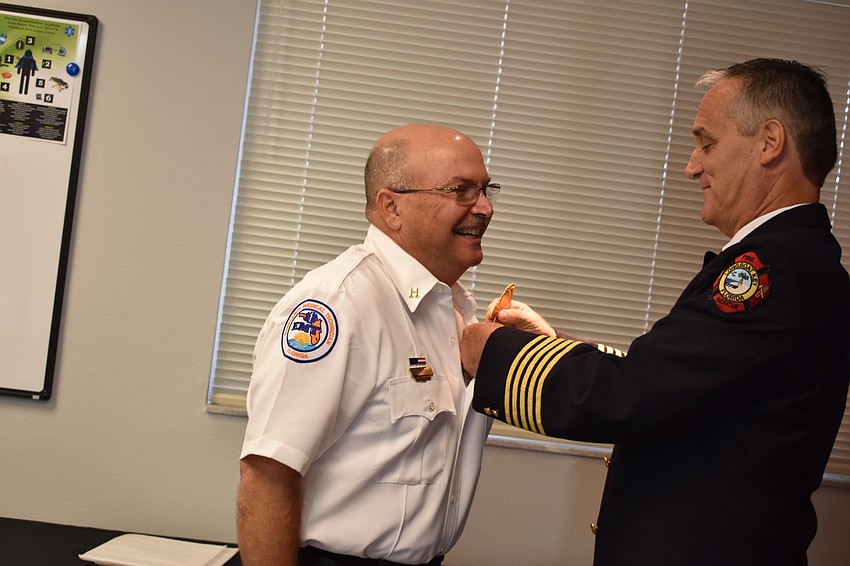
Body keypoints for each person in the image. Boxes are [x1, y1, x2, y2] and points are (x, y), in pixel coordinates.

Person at [460, 58, 850, 566]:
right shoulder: (800, 262)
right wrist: (548, 345)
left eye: (707, 143)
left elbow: (636, 393)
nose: (692, 165)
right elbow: (679, 381)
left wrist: (490, 351)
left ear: (769, 142)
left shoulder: (774, 270)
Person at [237, 123, 497, 566]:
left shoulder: (450, 308)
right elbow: (267, 474)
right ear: (391, 207)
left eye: (487, 190)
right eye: (461, 191)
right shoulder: (338, 304)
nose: (485, 208)